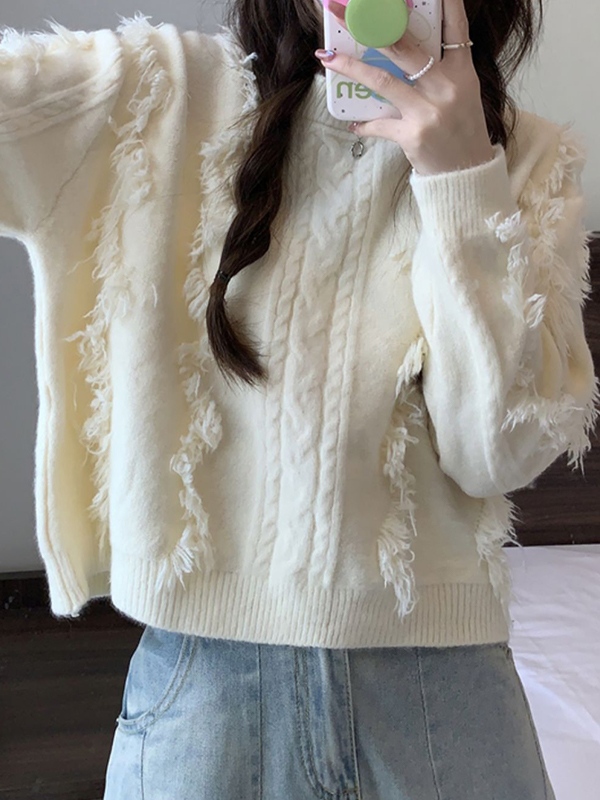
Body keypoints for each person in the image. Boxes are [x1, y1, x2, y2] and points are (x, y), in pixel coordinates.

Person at [0, 0, 596, 797]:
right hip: (206, 694)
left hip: (441, 698)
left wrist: (461, 178)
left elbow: (496, 455)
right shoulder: (157, 92)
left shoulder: (527, 158)